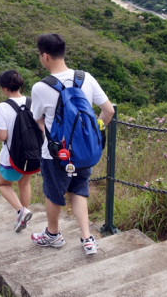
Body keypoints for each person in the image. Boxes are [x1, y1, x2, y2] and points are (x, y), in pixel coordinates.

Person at [29, 33, 115, 254]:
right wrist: (94, 134)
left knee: (53, 194)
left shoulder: (40, 87)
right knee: (79, 190)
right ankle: (87, 238)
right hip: (84, 152)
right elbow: (109, 111)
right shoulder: (86, 77)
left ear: (45, 56)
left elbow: (38, 119)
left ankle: (53, 234)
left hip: (56, 154)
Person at [0, 69, 34, 232]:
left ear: (4, 88)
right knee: (24, 183)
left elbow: (3, 136)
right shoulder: (32, 102)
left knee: (3, 184)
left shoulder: (2, 107)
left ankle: (21, 211)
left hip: (12, 156)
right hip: (32, 153)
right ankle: (24, 216)